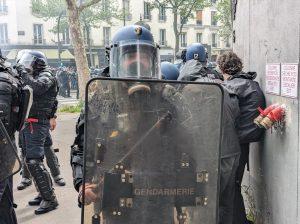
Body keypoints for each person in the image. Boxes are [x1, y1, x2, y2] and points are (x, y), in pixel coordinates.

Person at [72, 25, 224, 224]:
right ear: (116, 58)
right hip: (115, 194)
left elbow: (192, 144)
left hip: (160, 194)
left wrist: (192, 184)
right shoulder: (99, 99)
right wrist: (82, 182)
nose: (137, 61)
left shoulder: (170, 97)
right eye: (130, 56)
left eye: (143, 55)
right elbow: (82, 147)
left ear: (153, 58)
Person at [179, 43, 242, 224]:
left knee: (205, 202)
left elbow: (187, 126)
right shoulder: (221, 83)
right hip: (232, 152)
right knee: (226, 202)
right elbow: (235, 114)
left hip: (209, 155)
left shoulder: (188, 88)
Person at [217, 52, 266, 224]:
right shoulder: (252, 84)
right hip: (244, 143)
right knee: (234, 184)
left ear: (221, 68)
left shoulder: (229, 87)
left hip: (229, 145)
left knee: (227, 188)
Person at [16, 50, 59, 215]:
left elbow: (38, 88)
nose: (26, 65)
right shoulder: (37, 75)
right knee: (30, 160)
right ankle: (43, 193)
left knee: (34, 161)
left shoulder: (46, 75)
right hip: (29, 122)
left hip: (37, 122)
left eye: (29, 62)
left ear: (38, 63)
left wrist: (21, 71)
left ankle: (50, 199)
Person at [0, 49, 32, 224]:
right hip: (6, 146)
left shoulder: (3, 80)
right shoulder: (8, 75)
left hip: (2, 149)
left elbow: (1, 123)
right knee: (5, 202)